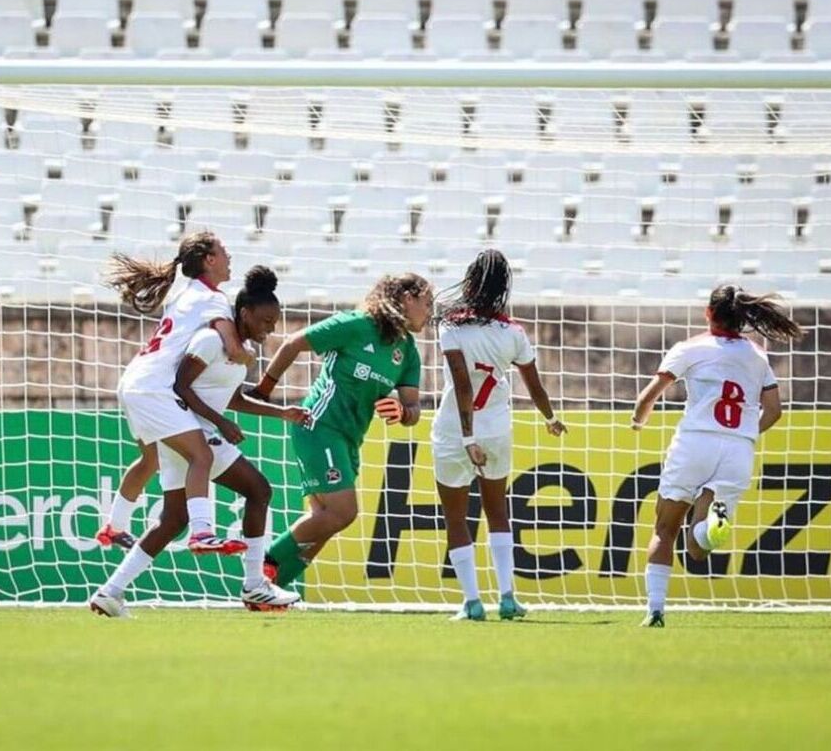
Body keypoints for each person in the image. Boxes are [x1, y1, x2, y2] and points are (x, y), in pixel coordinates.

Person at [90, 267, 309, 617]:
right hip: (190, 430)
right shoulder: (210, 340)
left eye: (275, 323)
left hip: (188, 436)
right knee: (259, 490)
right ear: (244, 312)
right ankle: (254, 585)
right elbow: (181, 386)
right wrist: (220, 423)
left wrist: (281, 413)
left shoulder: (238, 352)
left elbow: (233, 397)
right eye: (266, 321)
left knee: (172, 519)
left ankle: (110, 591)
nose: (270, 330)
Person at [631, 284, 803, 627]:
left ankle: (655, 611)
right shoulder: (757, 355)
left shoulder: (690, 349)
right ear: (743, 319)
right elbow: (774, 410)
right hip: (738, 449)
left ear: (708, 313)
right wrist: (744, 433)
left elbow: (648, 396)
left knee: (665, 528)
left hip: (695, 443)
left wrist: (638, 419)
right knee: (699, 548)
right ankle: (713, 521)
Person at [248, 273, 433, 590]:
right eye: (427, 303)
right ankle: (263, 566)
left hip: (349, 439)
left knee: (324, 521)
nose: (431, 312)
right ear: (406, 298)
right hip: (319, 426)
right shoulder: (355, 325)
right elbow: (293, 344)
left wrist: (404, 412)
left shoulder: (409, 351)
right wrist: (264, 390)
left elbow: (413, 410)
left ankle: (270, 593)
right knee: (343, 512)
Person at [431, 250, 566, 622]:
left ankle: (472, 602)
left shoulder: (451, 327)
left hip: (454, 432)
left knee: (456, 518)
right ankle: (507, 598)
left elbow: (461, 385)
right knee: (497, 511)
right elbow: (534, 385)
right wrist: (550, 418)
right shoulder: (514, 333)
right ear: (504, 287)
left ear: (470, 283)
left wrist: (465, 439)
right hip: (497, 429)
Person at [105, 232, 253, 555]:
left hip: (132, 381)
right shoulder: (214, 300)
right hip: (153, 389)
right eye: (224, 250)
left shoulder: (183, 295)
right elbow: (231, 347)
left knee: (151, 459)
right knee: (201, 455)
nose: (230, 257)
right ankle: (201, 533)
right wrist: (248, 356)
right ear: (209, 260)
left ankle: (114, 526)